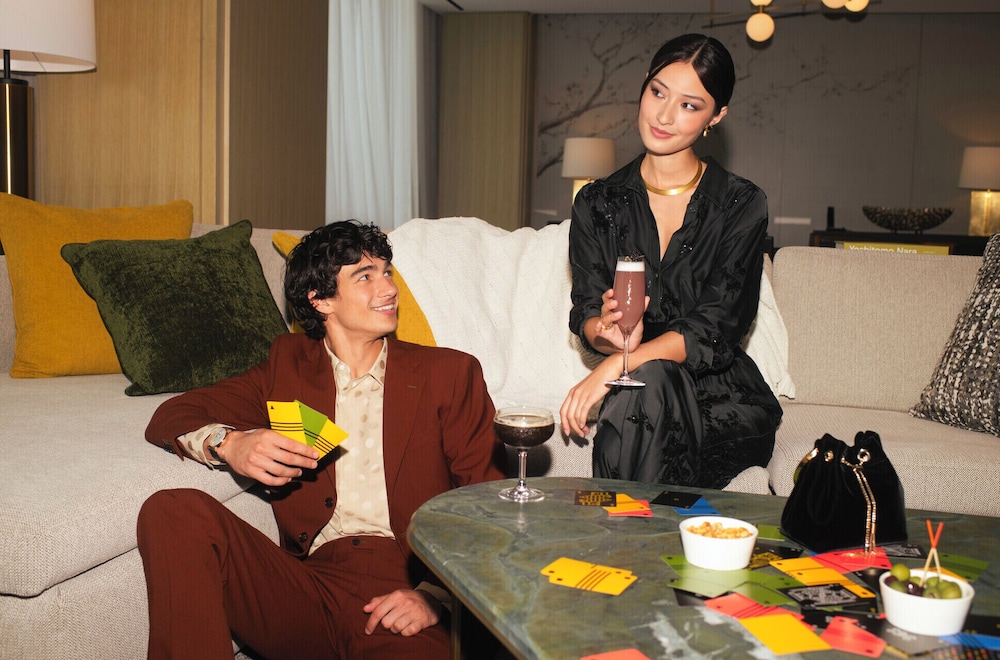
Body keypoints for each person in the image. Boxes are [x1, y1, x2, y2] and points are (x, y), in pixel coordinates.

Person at [137, 220, 504, 659]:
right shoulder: (286, 367)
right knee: (173, 510)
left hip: (405, 592)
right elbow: (173, 415)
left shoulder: (449, 373)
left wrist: (436, 597)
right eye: (365, 276)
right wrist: (230, 444)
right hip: (308, 588)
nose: (388, 288)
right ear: (321, 299)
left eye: (386, 272)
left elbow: (490, 503)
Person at [559, 34, 782, 490]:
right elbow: (587, 311)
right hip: (638, 397)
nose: (663, 116)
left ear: (715, 116)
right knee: (645, 397)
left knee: (644, 398)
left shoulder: (741, 203)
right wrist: (605, 333)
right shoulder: (597, 203)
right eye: (658, 92)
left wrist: (617, 366)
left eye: (689, 105)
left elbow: (717, 326)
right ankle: (643, 529)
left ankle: (613, 524)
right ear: (644, 85)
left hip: (720, 401)